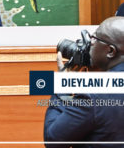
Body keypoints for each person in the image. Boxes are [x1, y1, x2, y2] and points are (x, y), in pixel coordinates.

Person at [44, 17, 124, 147]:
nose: (90, 43)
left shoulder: (92, 96)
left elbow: (53, 140)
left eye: (95, 38)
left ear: (110, 51)